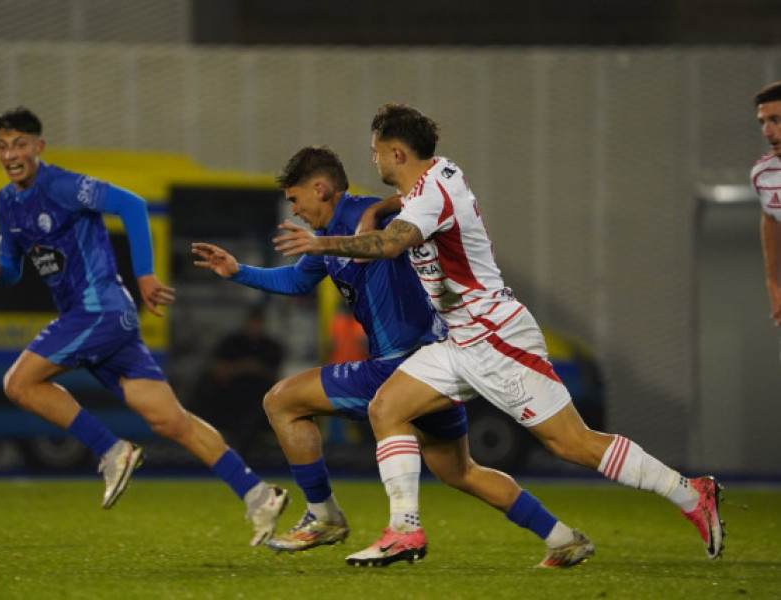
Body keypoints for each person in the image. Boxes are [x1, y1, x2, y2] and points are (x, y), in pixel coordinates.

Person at [273, 105, 725, 565]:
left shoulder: (430, 198)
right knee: (386, 407)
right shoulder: (440, 174)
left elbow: (392, 245)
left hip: (496, 337)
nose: (374, 162)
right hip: (460, 341)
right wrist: (380, 209)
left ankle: (690, 493)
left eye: (376, 154)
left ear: (396, 151)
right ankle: (404, 530)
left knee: (572, 443)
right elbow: (406, 203)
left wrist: (322, 243)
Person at [193, 145, 594, 567]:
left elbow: (425, 195)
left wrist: (383, 204)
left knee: (281, 401)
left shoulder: (371, 214)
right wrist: (238, 271)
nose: (294, 211)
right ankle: (562, 537)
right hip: (432, 366)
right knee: (460, 472)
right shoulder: (328, 241)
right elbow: (296, 281)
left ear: (321, 188)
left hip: (402, 363)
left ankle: (327, 517)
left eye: (296, 199)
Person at [0, 107, 288, 546]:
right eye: (3, 146)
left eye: (20, 143)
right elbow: (12, 266)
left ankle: (111, 450)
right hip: (98, 318)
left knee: (18, 383)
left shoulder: (62, 185)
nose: (12, 153)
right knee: (171, 421)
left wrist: (144, 273)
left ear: (38, 147)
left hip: (97, 311)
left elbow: (131, 204)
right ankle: (259, 495)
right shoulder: (6, 202)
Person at [190, 307, 285, 459]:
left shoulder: (270, 346)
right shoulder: (232, 342)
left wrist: (253, 368)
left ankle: (239, 447)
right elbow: (218, 369)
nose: (255, 327)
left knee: (262, 405)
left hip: (258, 395)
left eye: (258, 323)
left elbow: (275, 376)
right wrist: (243, 367)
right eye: (253, 323)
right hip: (231, 392)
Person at [753, 82, 781, 327]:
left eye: (776, 120)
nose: (767, 131)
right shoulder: (764, 174)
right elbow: (771, 217)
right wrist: (772, 280)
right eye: (763, 122)